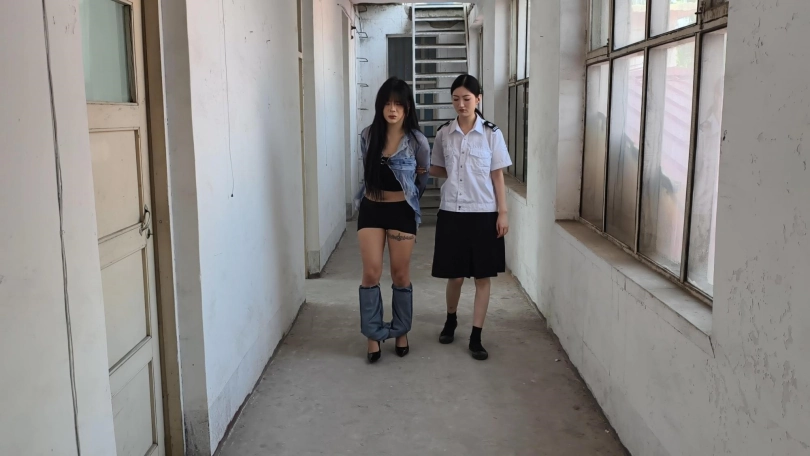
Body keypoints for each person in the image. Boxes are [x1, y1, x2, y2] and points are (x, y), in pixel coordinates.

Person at [429, 74, 511, 361]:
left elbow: (497, 175)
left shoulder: (491, 134)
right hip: (452, 212)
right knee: (454, 277)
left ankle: (476, 336)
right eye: (456, 99)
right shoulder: (444, 133)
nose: (461, 104)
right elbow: (438, 168)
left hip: (484, 213)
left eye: (466, 98)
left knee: (482, 277)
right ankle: (451, 319)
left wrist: (502, 213)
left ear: (478, 99)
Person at [354, 77, 431, 363]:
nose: (393, 109)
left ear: (407, 107)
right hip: (371, 209)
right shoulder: (368, 135)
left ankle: (401, 331)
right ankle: (373, 334)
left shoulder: (417, 141)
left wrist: (408, 199)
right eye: (387, 103)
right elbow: (368, 172)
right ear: (380, 106)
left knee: (400, 273)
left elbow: (422, 180)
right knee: (371, 272)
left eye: (398, 104)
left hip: (402, 212)